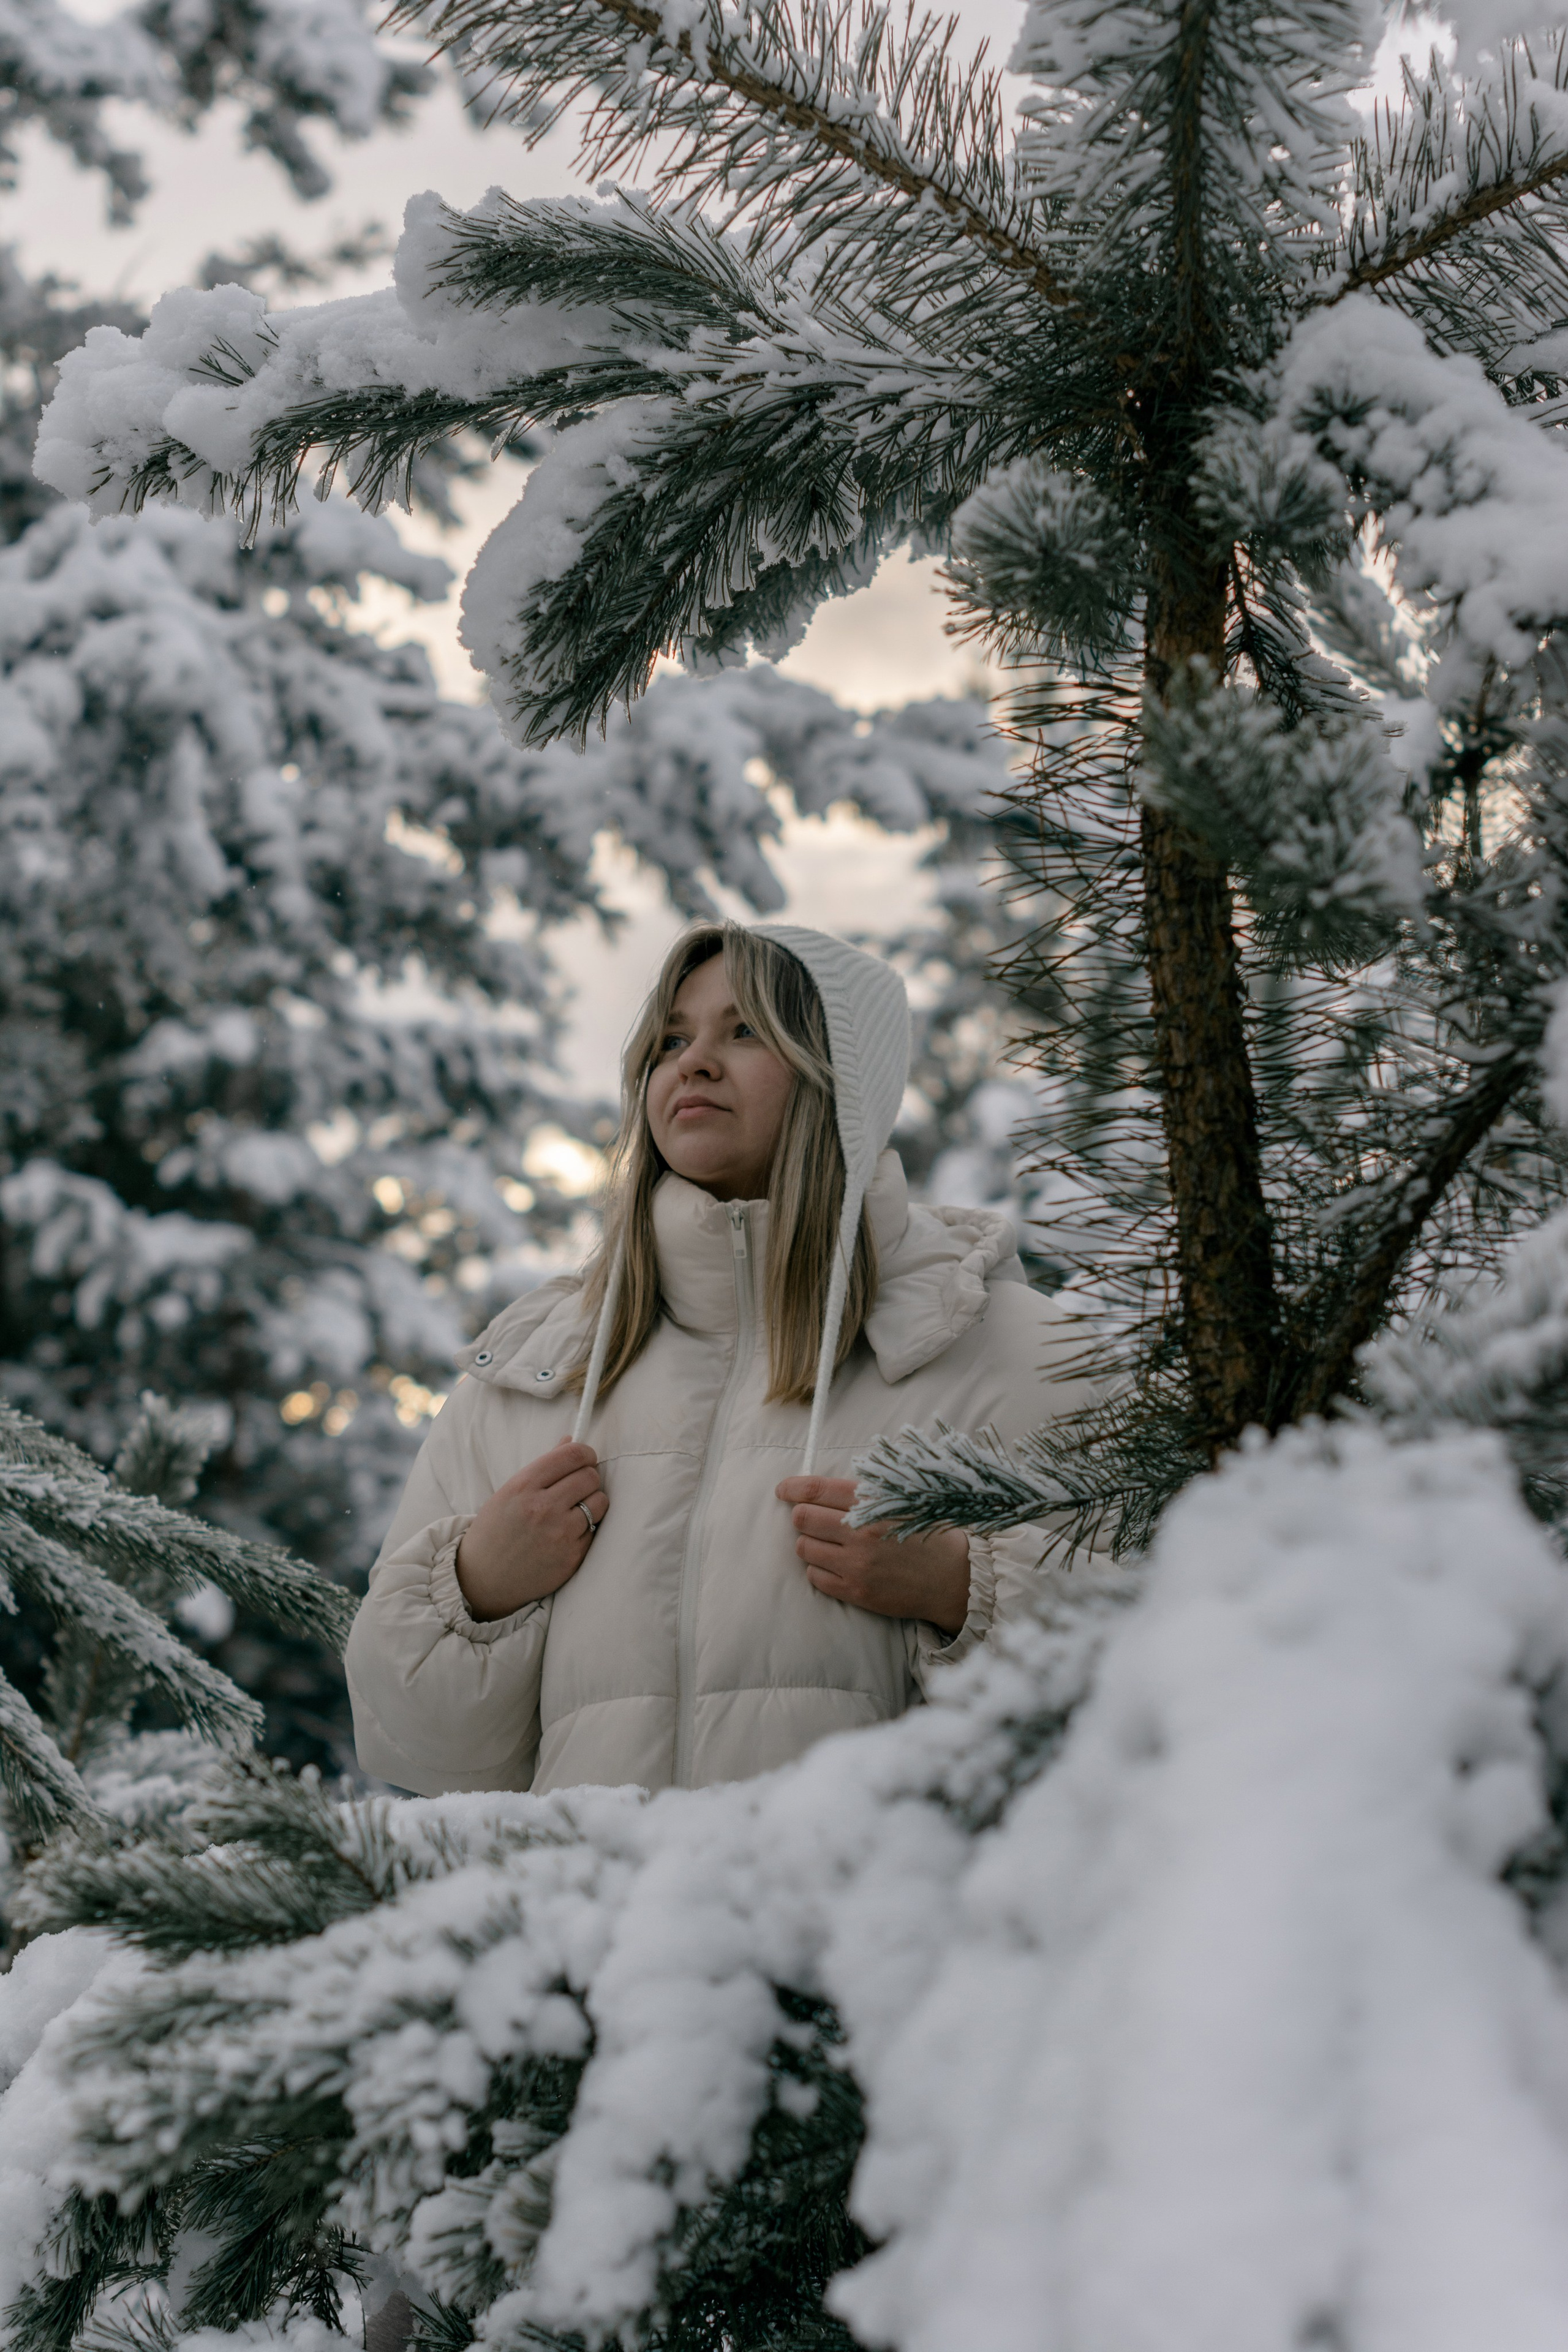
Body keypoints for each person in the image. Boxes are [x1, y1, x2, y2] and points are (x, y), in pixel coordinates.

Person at [345, 921, 1091, 1796]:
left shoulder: (1011, 1355)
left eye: (744, 1031)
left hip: (875, 1926)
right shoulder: (535, 1383)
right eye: (672, 1039)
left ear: (840, 1076)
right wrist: (477, 1591)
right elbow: (416, 1752)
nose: (694, 1062)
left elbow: (1164, 1660)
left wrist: (961, 1589)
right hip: (588, 1929)